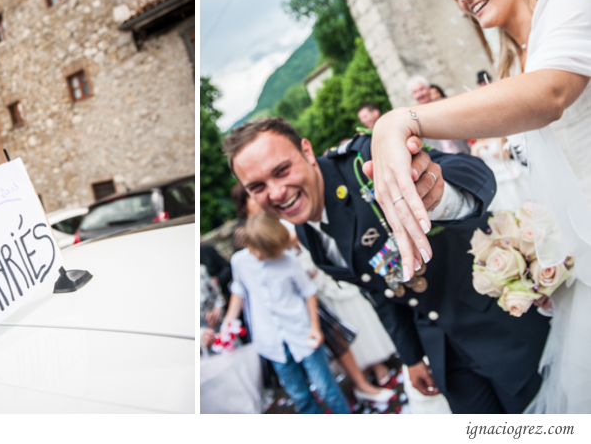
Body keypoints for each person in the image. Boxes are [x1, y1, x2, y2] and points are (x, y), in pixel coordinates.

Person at [369, 0, 591, 413]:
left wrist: (402, 120)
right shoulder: (505, 71)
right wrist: (440, 197)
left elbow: (551, 96)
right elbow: (524, 182)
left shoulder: (567, 1)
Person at [224, 117, 550, 413]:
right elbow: (379, 291)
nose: (277, 193)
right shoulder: (305, 233)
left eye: (282, 170)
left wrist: (439, 196)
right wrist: (410, 357)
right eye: (257, 187)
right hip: (443, 350)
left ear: (307, 151)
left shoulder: (365, 160)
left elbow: (471, 174)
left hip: (497, 325)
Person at [231, 181, 395, 403]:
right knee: (333, 340)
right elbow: (244, 282)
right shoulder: (244, 236)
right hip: (286, 304)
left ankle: (367, 372)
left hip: (307, 283)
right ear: (245, 204)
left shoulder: (280, 217)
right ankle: (360, 381)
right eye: (255, 194)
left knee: (342, 330)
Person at [221, 212, 351, 414]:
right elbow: (239, 290)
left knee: (326, 388)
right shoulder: (239, 262)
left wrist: (315, 328)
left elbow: (309, 292)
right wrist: (228, 320)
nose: (258, 256)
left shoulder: (288, 261)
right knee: (298, 394)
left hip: (301, 332)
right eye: (255, 250)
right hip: (269, 339)